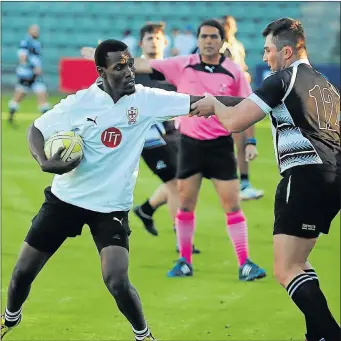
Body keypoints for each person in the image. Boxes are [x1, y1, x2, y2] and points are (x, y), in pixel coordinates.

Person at [1, 39, 242, 340]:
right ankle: (9, 318)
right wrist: (45, 163)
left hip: (111, 207)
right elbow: (35, 129)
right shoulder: (80, 103)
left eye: (130, 63)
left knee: (116, 279)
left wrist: (261, 102)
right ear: (101, 72)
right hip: (66, 200)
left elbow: (202, 101)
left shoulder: (146, 99)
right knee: (22, 274)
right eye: (119, 67)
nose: (129, 71)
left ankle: (143, 335)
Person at [190, 18, 340, 341]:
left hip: (302, 175)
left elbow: (233, 122)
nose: (265, 57)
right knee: (300, 262)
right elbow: (254, 105)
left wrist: (215, 104)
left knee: (285, 270)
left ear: (286, 51)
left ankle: (330, 333)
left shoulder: (281, 79)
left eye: (268, 50)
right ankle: (316, 333)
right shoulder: (324, 84)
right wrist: (218, 102)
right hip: (332, 177)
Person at [132, 19, 266, 280]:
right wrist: (103, 57)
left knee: (233, 206)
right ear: (198, 39)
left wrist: (250, 142)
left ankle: (244, 263)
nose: (208, 41)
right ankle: (184, 261)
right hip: (189, 145)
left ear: (222, 41)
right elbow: (144, 64)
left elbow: (249, 107)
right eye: (203, 36)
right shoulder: (183, 64)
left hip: (220, 146)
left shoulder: (234, 71)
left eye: (213, 37)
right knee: (185, 205)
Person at [221, 15, 264, 201]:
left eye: (229, 25)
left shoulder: (237, 45)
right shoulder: (221, 47)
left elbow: (242, 67)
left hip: (239, 96)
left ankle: (243, 182)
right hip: (226, 98)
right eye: (225, 25)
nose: (227, 28)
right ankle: (238, 183)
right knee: (234, 141)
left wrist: (244, 73)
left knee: (241, 139)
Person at [8, 24, 50, 126]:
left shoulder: (36, 43)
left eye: (37, 30)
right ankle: (11, 117)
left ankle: (46, 122)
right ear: (29, 31)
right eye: (35, 30)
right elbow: (22, 58)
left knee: (42, 93)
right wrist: (33, 67)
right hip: (26, 74)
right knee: (20, 94)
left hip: (35, 75)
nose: (37, 32)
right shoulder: (26, 42)